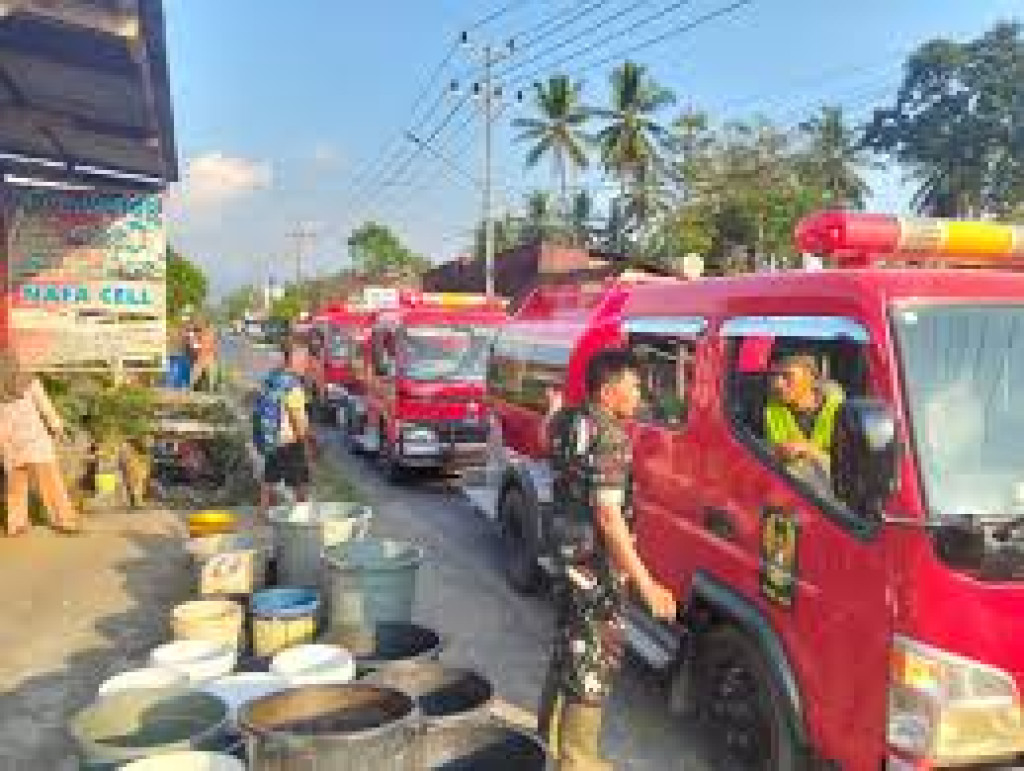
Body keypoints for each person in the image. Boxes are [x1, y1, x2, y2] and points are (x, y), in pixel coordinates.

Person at [538, 349, 677, 770]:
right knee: (592, 657)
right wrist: (647, 583)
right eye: (633, 386)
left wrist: (553, 409)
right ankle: (577, 760)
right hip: (595, 565)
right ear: (607, 391)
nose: (639, 394)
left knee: (569, 644)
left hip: (566, 553)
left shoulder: (569, 419)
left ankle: (548, 741)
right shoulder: (611, 436)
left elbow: (545, 436)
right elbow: (608, 518)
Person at [0, 352, 80, 536]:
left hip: (12, 443)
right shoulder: (30, 382)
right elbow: (46, 407)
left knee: (16, 486)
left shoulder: (19, 384)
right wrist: (57, 428)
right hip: (34, 440)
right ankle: (65, 521)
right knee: (51, 483)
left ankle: (16, 524)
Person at [254, 340, 318, 523]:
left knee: (269, 478)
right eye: (304, 359)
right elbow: (298, 419)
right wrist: (306, 445)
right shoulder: (293, 386)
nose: (307, 364)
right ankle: (303, 519)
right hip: (290, 441)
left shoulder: (273, 377)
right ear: (294, 360)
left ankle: (263, 513)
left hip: (271, 437)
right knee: (300, 482)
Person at [765, 353, 844, 488]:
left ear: (810, 377)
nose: (777, 384)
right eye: (773, 375)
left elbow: (849, 468)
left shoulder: (840, 410)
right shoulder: (770, 408)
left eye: (787, 376)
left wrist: (810, 451)